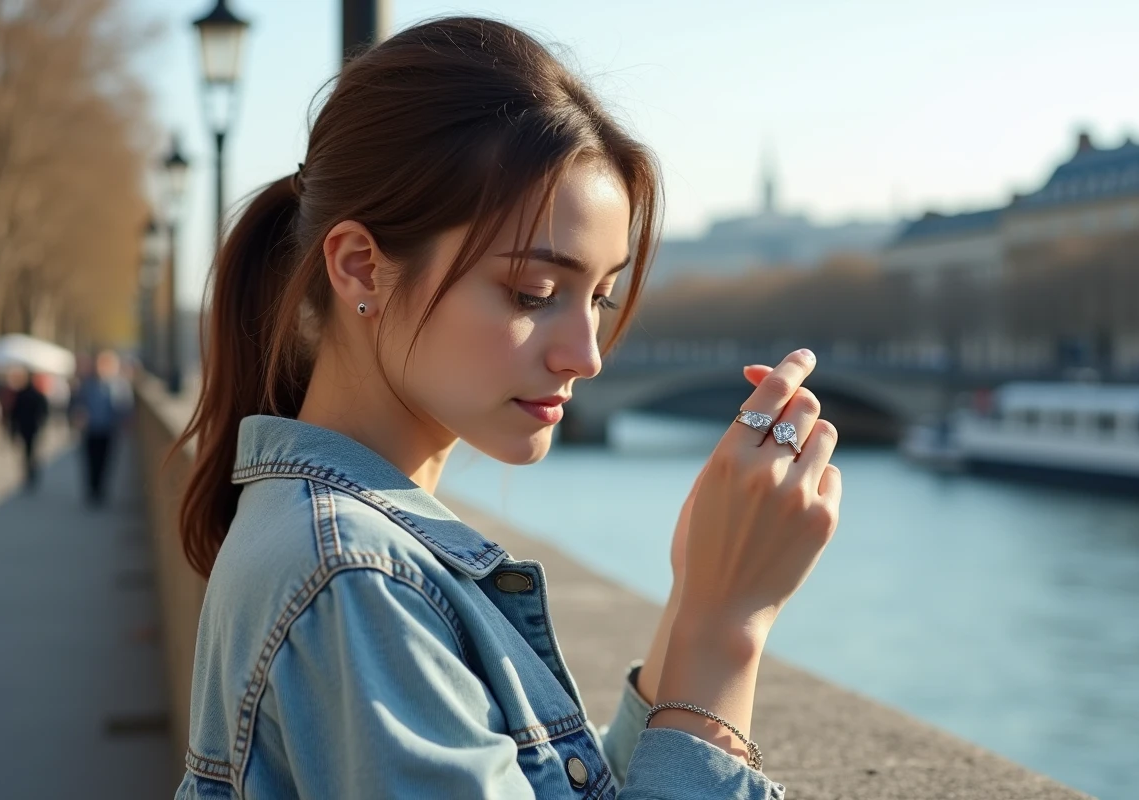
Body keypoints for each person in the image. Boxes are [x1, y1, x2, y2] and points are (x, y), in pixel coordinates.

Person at [173, 17, 841, 800]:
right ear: (361, 270)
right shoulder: (356, 579)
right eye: (533, 294)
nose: (586, 355)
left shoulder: (328, 543)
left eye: (600, 297)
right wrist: (726, 631)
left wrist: (695, 595)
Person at [71, 350, 132, 506]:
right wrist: (78, 416)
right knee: (91, 461)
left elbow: (125, 408)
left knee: (106, 461)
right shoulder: (87, 384)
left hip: (109, 430)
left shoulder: (119, 385)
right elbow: (77, 403)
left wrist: (125, 422)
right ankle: (92, 490)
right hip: (90, 430)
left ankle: (100, 491)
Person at [8, 367, 49, 489]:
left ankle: (29, 473)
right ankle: (31, 473)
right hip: (32, 427)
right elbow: (44, 411)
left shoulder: (23, 394)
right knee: (31, 451)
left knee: (28, 452)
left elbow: (14, 414)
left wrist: (13, 430)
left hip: (26, 427)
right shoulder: (36, 394)